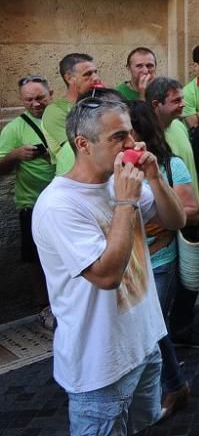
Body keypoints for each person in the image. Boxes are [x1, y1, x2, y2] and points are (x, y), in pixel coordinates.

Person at [32, 98, 185, 436]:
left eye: (130, 134)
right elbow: (106, 276)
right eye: (118, 137)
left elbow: (177, 220)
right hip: (100, 365)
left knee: (143, 426)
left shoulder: (119, 182)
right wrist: (127, 201)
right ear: (82, 144)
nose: (131, 145)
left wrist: (156, 179)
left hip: (145, 344)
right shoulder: (58, 205)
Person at [126, 100, 199, 421]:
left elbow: (190, 211)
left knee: (154, 328)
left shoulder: (169, 166)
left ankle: (172, 385)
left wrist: (160, 217)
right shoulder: (115, 171)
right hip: (130, 263)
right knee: (146, 329)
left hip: (160, 259)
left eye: (126, 131)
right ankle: (171, 384)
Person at [146, 77, 199, 350]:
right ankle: (166, 349)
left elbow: (187, 169)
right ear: (156, 104)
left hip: (188, 213)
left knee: (188, 277)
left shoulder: (177, 126)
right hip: (165, 224)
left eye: (182, 99)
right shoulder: (150, 136)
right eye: (176, 101)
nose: (182, 105)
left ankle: (182, 330)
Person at [0, 75, 56, 328]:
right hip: (32, 203)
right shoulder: (14, 129)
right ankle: (44, 305)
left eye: (40, 98)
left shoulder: (61, 120)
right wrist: (15, 155)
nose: (35, 103)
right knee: (34, 257)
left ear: (51, 94)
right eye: (29, 100)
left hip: (64, 201)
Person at [42, 52, 102, 154]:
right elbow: (80, 149)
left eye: (95, 72)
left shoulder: (97, 102)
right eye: (87, 74)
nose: (96, 78)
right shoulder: (55, 111)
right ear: (69, 78)